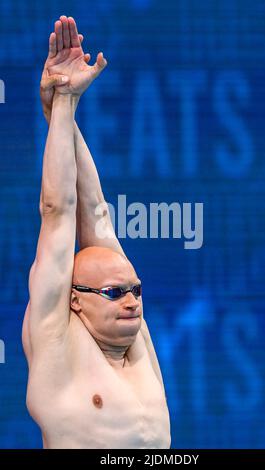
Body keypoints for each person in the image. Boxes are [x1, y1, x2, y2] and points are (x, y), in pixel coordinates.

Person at [22, 16, 171, 449]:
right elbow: (59, 210)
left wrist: (60, 117)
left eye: (136, 291)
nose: (131, 301)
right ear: (74, 300)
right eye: (114, 293)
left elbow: (97, 213)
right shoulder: (56, 342)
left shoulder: (135, 339)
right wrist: (65, 100)